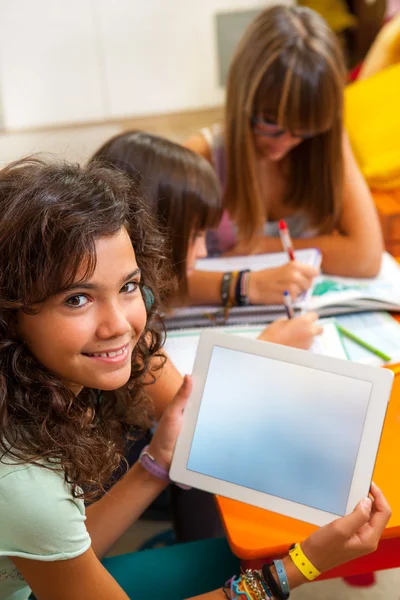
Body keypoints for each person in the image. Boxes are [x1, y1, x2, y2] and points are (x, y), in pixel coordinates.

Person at [0, 157, 391, 600]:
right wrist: (297, 568)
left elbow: (55, 547)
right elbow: (43, 518)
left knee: (235, 554)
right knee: (259, 558)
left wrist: (156, 463)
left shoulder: (35, 395)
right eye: (77, 299)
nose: (120, 325)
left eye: (128, 287)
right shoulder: (21, 477)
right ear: (10, 314)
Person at [185, 4, 384, 309]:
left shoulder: (326, 141)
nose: (286, 143)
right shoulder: (200, 158)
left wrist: (261, 248)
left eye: (303, 131)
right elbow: (154, 280)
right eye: (270, 123)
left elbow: (366, 257)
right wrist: (245, 284)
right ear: (243, 100)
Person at [92, 130, 320, 309]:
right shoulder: (122, 317)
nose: (202, 252)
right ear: (152, 230)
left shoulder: (142, 297)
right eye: (195, 235)